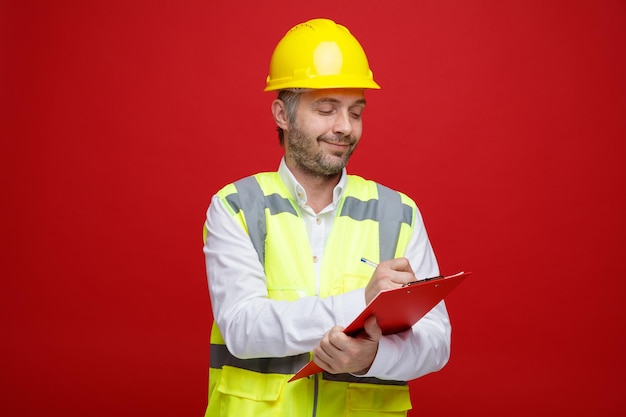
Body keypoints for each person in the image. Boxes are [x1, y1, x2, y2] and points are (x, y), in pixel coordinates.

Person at [202, 18, 451, 417]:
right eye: (326, 109)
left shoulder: (399, 214)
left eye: (355, 112)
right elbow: (243, 327)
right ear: (282, 114)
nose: (345, 128)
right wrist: (361, 304)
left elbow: (436, 341)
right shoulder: (236, 207)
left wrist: (371, 358)